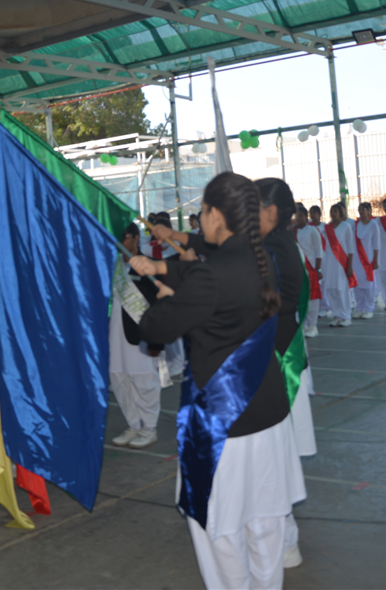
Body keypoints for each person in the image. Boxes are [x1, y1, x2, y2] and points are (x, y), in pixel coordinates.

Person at [131, 173, 305, 589]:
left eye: (203, 210)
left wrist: (164, 295)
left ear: (216, 216)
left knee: (218, 525)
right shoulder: (264, 261)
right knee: (264, 520)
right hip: (268, 413)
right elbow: (209, 277)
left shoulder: (212, 277)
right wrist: (166, 270)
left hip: (223, 421)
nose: (200, 218)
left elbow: (152, 329)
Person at [256, 178, 316, 460]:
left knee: (280, 426)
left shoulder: (273, 247)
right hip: (284, 334)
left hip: (278, 342)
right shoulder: (281, 241)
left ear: (270, 211)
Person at [109, 223, 166, 450]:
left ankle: (149, 428)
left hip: (140, 336)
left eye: (124, 237)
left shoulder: (147, 266)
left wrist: (157, 340)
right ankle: (133, 424)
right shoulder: (113, 267)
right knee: (119, 379)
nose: (120, 242)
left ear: (135, 238)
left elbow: (159, 306)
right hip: (115, 335)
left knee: (144, 382)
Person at [322, 202, 356, 327]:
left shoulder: (346, 226)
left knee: (342, 290)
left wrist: (350, 266)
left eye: (336, 211)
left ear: (341, 213)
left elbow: (351, 247)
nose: (333, 213)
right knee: (331, 289)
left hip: (342, 264)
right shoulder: (326, 228)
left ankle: (346, 316)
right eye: (331, 211)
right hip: (328, 263)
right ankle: (336, 315)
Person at [292, 205, 324, 337]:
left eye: (301, 215)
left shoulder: (312, 230)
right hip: (297, 269)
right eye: (296, 216)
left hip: (310, 268)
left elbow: (318, 251)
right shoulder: (292, 231)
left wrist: (318, 269)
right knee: (300, 298)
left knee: (312, 298)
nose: (298, 218)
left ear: (306, 217)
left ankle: (312, 326)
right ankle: (303, 325)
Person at [352, 202, 380, 319]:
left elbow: (376, 244)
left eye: (364, 209)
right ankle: (359, 308)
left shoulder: (373, 225)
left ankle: (369, 309)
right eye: (360, 209)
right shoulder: (355, 225)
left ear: (369, 211)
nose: (362, 211)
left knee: (368, 285)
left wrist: (376, 260)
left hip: (368, 259)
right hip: (356, 260)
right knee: (358, 285)